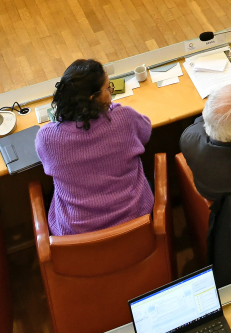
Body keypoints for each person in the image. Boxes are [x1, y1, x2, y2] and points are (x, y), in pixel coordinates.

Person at [34, 58, 154, 235]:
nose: (111, 92)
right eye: (107, 88)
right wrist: (113, 110)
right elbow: (146, 132)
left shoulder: (46, 138)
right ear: (92, 98)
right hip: (134, 224)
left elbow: (46, 162)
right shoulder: (125, 118)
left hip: (77, 238)